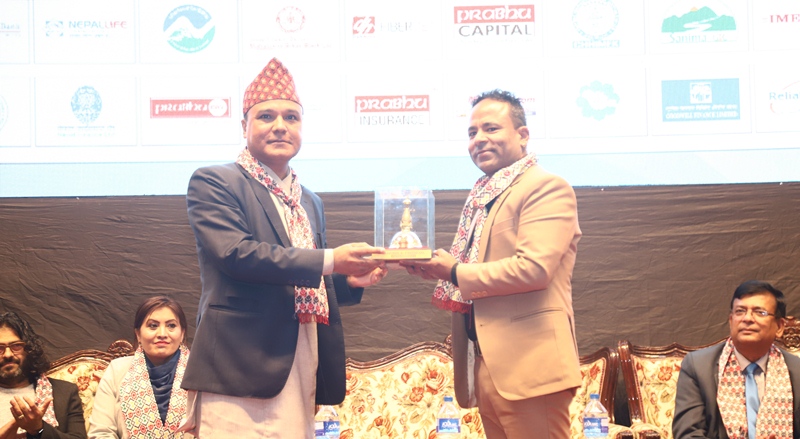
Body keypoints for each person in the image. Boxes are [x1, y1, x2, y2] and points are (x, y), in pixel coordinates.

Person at [178, 57, 387, 438]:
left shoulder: (309, 200)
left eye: (291, 117)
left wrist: (349, 281)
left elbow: (307, 280)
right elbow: (237, 255)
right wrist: (332, 260)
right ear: (244, 126)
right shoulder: (215, 181)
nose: (280, 126)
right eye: (266, 116)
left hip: (301, 355)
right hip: (238, 363)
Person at [401, 89, 582, 439]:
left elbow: (533, 269)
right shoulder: (485, 196)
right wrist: (437, 269)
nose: (479, 139)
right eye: (472, 133)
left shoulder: (546, 187)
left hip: (530, 369)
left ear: (523, 135)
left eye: (491, 128)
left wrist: (454, 271)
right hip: (487, 365)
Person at [673, 280, 800, 439]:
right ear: (731, 320)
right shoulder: (698, 367)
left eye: (760, 312)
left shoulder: (796, 370)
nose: (747, 318)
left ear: (780, 327)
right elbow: (688, 434)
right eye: (740, 311)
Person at [88, 296, 191, 439]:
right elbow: (101, 433)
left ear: (182, 333)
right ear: (138, 334)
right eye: (153, 325)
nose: (162, 334)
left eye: (171, 325)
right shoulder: (117, 370)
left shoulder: (200, 373)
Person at [0, 312, 86, 439]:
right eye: (0, 348)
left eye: (16, 346)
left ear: (29, 349)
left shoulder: (65, 392)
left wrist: (38, 429)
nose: (8, 355)